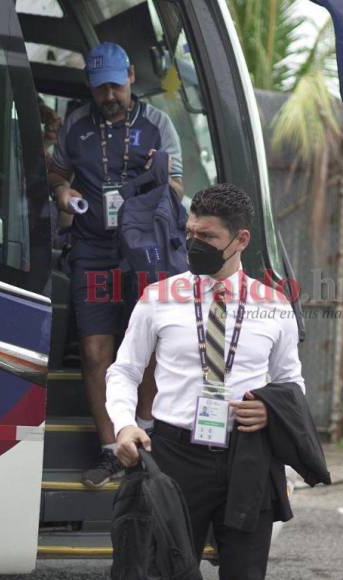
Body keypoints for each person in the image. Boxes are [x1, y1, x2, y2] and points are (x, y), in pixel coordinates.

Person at [106, 183, 306, 579]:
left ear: (240, 239)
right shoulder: (158, 298)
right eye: (190, 234)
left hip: (248, 457)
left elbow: (291, 384)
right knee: (162, 569)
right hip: (174, 456)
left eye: (208, 237)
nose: (194, 244)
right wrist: (125, 424)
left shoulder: (275, 306)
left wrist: (271, 411)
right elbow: (124, 371)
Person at [47, 42, 184, 487]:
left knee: (145, 349)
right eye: (100, 87)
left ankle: (142, 435)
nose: (109, 95)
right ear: (91, 86)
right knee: (94, 352)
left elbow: (178, 188)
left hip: (144, 249)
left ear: (129, 78)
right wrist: (62, 193)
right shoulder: (75, 125)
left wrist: (155, 176)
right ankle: (111, 451)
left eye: (115, 85)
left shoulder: (158, 124)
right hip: (93, 250)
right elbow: (56, 173)